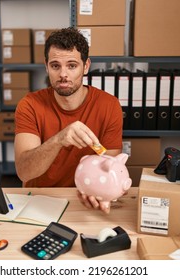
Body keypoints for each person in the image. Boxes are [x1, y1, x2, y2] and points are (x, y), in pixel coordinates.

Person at [14, 27, 123, 214]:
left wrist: (96, 193)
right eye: (55, 66)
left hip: (85, 199)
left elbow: (110, 168)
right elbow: (24, 172)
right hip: (39, 200)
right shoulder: (29, 105)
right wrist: (59, 139)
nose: (63, 74)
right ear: (46, 66)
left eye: (72, 65)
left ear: (86, 66)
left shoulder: (109, 105)